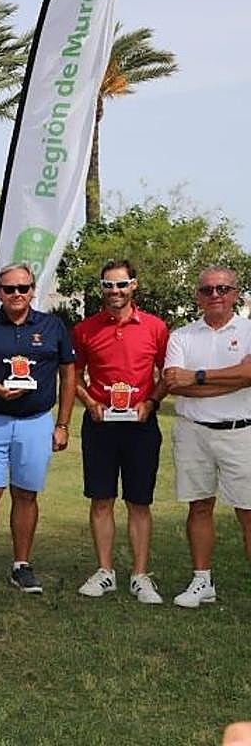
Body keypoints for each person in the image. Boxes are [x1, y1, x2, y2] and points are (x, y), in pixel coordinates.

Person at [0, 263, 75, 595]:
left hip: (35, 422)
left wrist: (63, 424)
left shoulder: (52, 326)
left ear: (33, 290)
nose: (17, 294)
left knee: (26, 494)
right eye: (9, 289)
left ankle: (21, 565)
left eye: (23, 288)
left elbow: (69, 373)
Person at [73, 260, 169, 604]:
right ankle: (105, 572)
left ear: (134, 286)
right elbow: (75, 375)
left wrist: (152, 403)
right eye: (108, 286)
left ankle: (140, 576)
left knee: (139, 502)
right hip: (101, 426)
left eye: (121, 284)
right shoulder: (85, 330)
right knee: (101, 500)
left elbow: (166, 374)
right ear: (102, 288)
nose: (115, 291)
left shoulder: (156, 328)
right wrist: (89, 402)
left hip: (141, 426)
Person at [162, 266, 251, 608]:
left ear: (234, 293)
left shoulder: (246, 330)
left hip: (240, 431)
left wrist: (196, 377)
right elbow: (173, 383)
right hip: (193, 432)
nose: (215, 295)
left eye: (222, 289)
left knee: (248, 510)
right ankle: (202, 581)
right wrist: (234, 378)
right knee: (199, 506)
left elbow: (249, 373)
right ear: (198, 295)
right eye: (207, 290)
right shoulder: (182, 335)